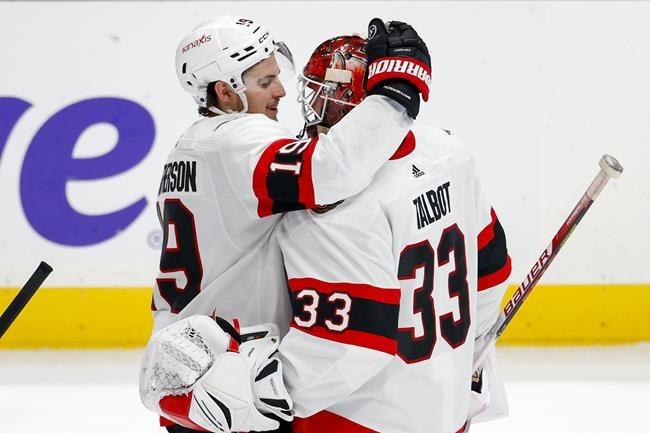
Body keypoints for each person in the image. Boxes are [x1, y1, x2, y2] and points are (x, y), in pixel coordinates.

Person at [139, 15, 432, 433]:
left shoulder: (189, 148)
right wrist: (396, 93)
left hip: (190, 368)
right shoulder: (240, 140)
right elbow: (332, 171)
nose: (279, 91)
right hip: (231, 383)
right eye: (264, 82)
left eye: (277, 75)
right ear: (225, 91)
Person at [275, 26, 512, 433]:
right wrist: (468, 354)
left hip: (358, 420)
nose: (313, 107)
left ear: (358, 105)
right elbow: (490, 269)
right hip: (447, 414)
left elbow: (349, 347)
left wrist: (269, 401)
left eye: (324, 96)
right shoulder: (448, 151)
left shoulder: (330, 206)